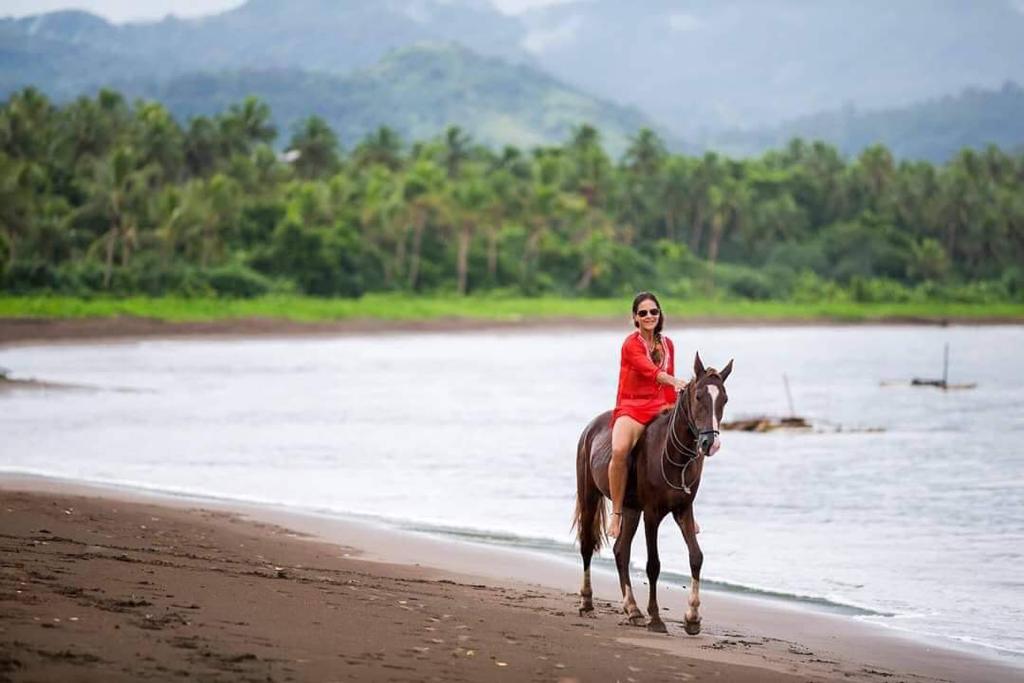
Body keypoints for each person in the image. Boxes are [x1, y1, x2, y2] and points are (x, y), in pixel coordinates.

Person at [607, 291, 688, 538]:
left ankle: (687, 510)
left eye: (654, 311)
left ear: (659, 314)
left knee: (687, 442)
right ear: (635, 318)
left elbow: (668, 383)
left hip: (660, 404)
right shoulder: (631, 344)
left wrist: (676, 408)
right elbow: (652, 372)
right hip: (631, 406)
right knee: (619, 449)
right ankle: (617, 513)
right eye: (643, 313)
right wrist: (676, 381)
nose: (649, 316)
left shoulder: (668, 344)